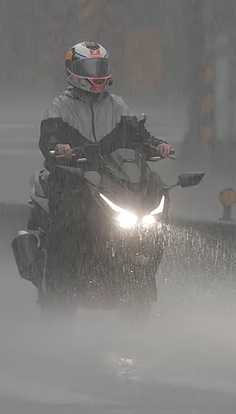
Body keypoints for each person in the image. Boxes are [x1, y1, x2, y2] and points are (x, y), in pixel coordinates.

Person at [36, 41, 172, 289]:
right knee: (69, 218)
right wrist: (60, 148)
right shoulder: (60, 106)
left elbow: (138, 136)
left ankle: (139, 268)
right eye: (89, 67)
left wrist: (158, 145)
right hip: (73, 178)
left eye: (100, 66)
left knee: (155, 192)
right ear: (72, 70)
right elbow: (48, 138)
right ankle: (60, 281)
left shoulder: (117, 105)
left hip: (110, 179)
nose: (96, 74)